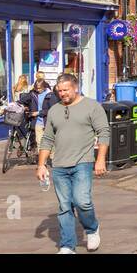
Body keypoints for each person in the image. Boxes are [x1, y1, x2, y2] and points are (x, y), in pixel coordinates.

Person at [36, 73, 109, 254]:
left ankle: (92, 229)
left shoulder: (92, 106)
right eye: (59, 91)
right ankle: (68, 245)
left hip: (82, 162)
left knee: (82, 201)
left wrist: (100, 159)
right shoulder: (54, 110)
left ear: (75, 87)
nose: (62, 94)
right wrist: (41, 164)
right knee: (64, 206)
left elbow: (104, 133)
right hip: (59, 165)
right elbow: (47, 139)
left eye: (66, 90)